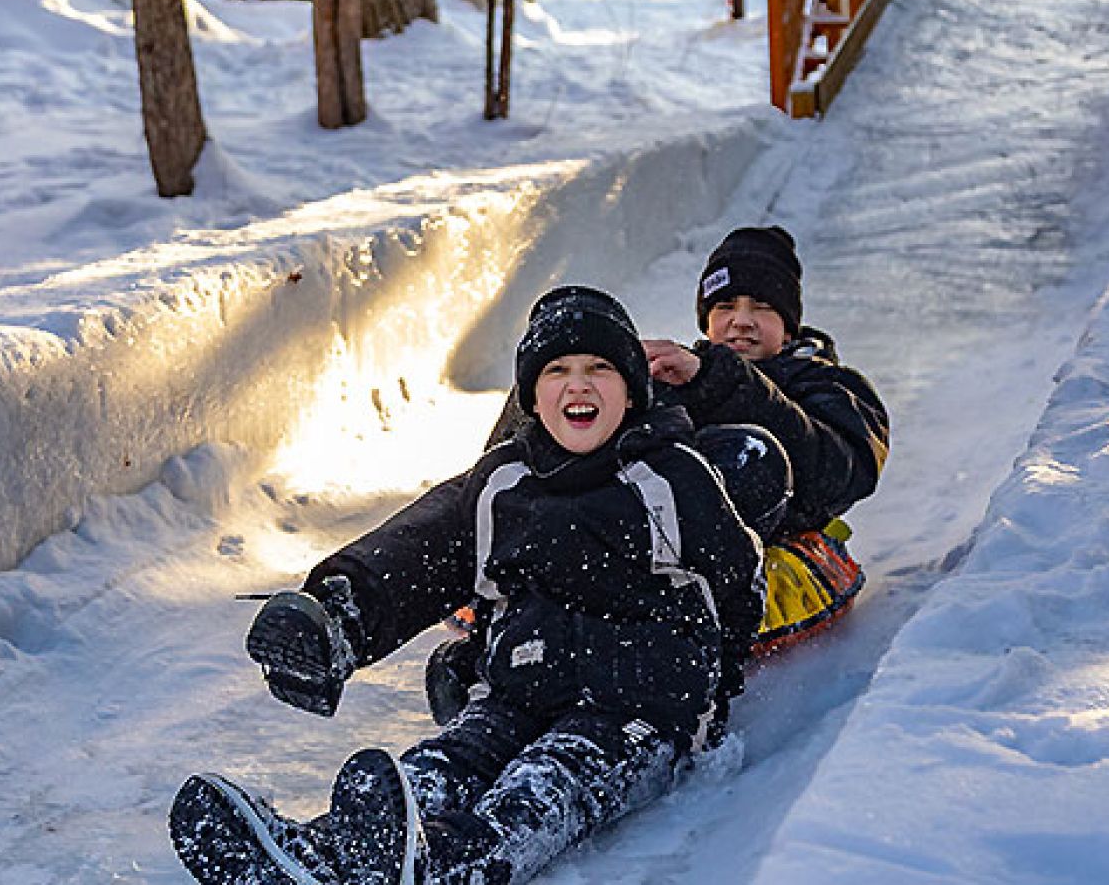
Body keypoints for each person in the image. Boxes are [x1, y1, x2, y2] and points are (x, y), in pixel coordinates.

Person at [169, 286, 766, 885]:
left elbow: (738, 583)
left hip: (634, 712)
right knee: (442, 761)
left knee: (542, 786)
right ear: (532, 396)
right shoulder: (502, 482)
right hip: (518, 694)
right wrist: (463, 655)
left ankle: (446, 866)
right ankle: (322, 853)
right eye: (557, 371)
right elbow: (466, 579)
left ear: (632, 390)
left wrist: (705, 696)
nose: (578, 386)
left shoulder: (672, 475)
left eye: (599, 369)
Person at [424, 226, 891, 724]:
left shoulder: (827, 385)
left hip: (725, 546)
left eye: (762, 307)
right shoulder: (676, 371)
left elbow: (837, 470)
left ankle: (590, 667)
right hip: (621, 535)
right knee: (559, 386)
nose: (741, 321)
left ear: (790, 324)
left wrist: (718, 382)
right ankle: (506, 637)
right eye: (726, 306)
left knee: (742, 459)